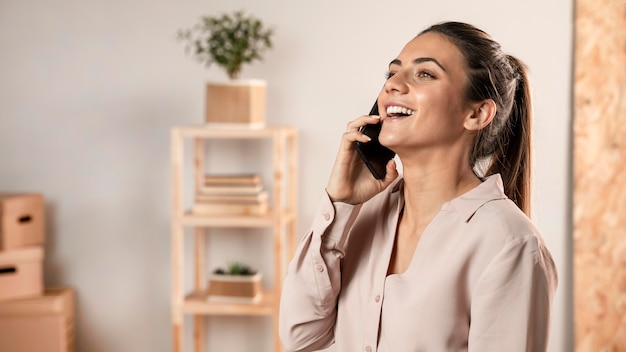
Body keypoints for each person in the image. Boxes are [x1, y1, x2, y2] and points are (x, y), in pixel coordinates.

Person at [278, 21, 558, 352]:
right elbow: (301, 336)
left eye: (424, 74)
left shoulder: (510, 245)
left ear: (477, 113)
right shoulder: (360, 217)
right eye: (391, 74)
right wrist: (339, 205)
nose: (393, 85)